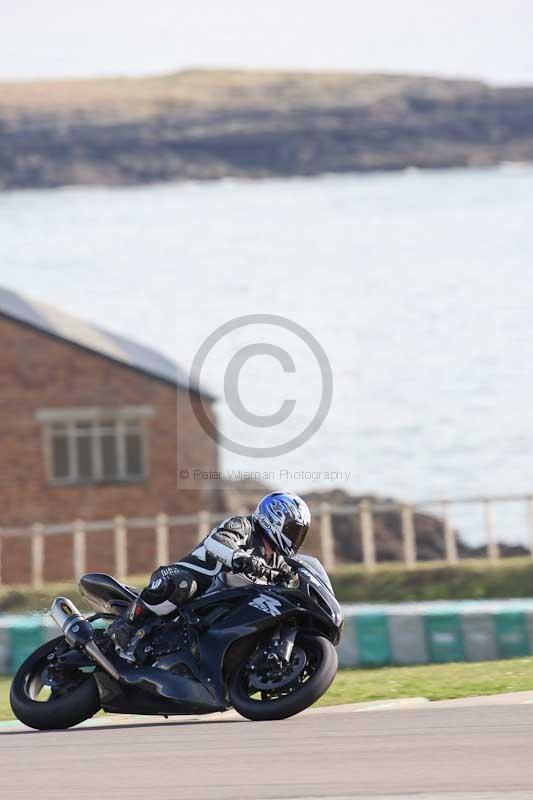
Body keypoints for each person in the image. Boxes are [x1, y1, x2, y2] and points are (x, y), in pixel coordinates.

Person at [108, 491, 311, 659]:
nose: (296, 537)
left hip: (216, 608)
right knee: (182, 584)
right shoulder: (243, 526)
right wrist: (242, 559)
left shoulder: (276, 561)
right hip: (186, 581)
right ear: (275, 519)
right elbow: (216, 542)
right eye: (293, 530)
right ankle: (124, 626)